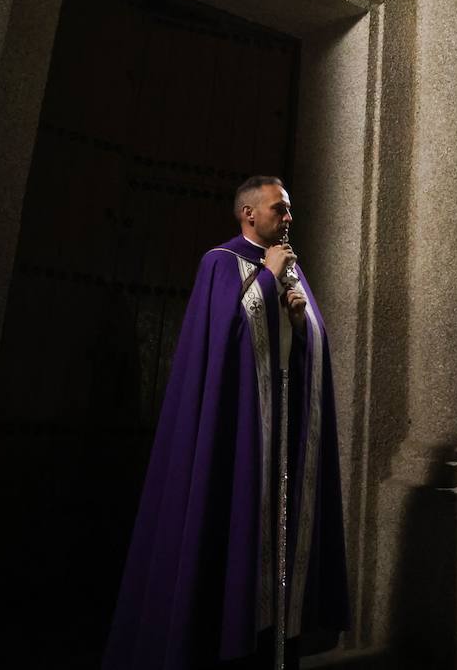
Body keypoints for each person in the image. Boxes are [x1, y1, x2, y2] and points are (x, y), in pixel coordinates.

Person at [105, 176, 348, 670]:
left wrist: (301, 326)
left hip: (282, 441)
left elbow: (305, 356)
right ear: (248, 214)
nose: (288, 217)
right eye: (278, 208)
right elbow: (219, 350)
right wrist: (264, 279)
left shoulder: (291, 269)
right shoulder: (220, 263)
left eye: (289, 209)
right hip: (239, 441)